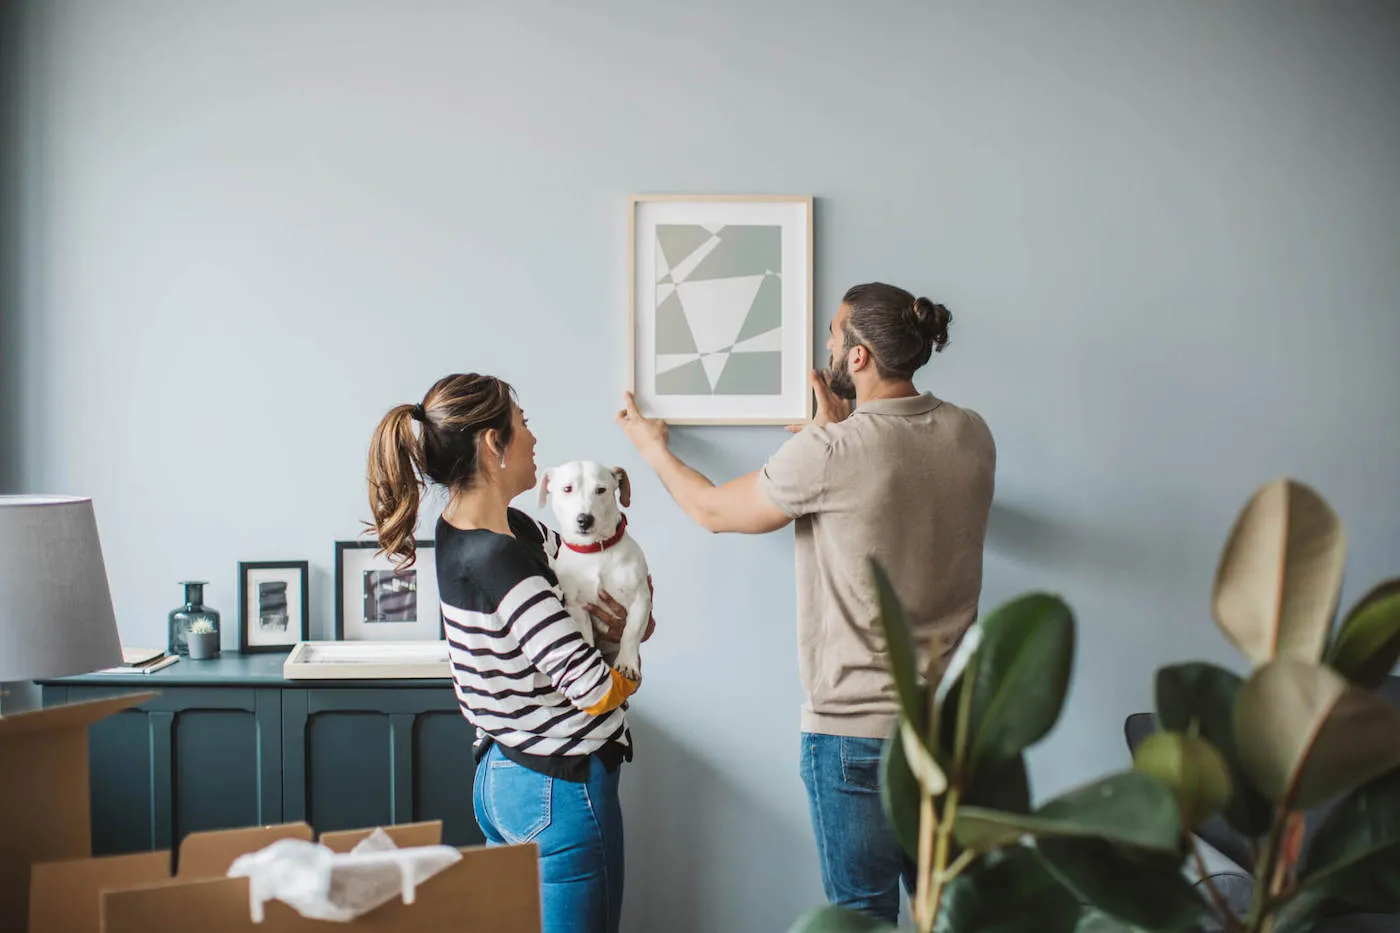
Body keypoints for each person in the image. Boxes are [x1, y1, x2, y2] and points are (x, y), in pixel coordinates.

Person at [616, 282, 995, 923]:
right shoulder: (971, 434)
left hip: (855, 739)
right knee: (958, 916)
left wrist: (652, 447)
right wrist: (838, 435)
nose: (826, 345)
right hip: (948, 736)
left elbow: (711, 510)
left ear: (858, 358)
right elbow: (897, 479)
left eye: (833, 334)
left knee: (860, 919)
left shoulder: (830, 452)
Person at [367, 373, 654, 933]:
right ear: (492, 444)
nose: (533, 438)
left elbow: (598, 587)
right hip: (558, 786)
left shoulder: (488, 529)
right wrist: (630, 659)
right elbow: (594, 688)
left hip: (502, 776)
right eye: (522, 425)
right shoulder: (499, 559)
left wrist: (631, 618)